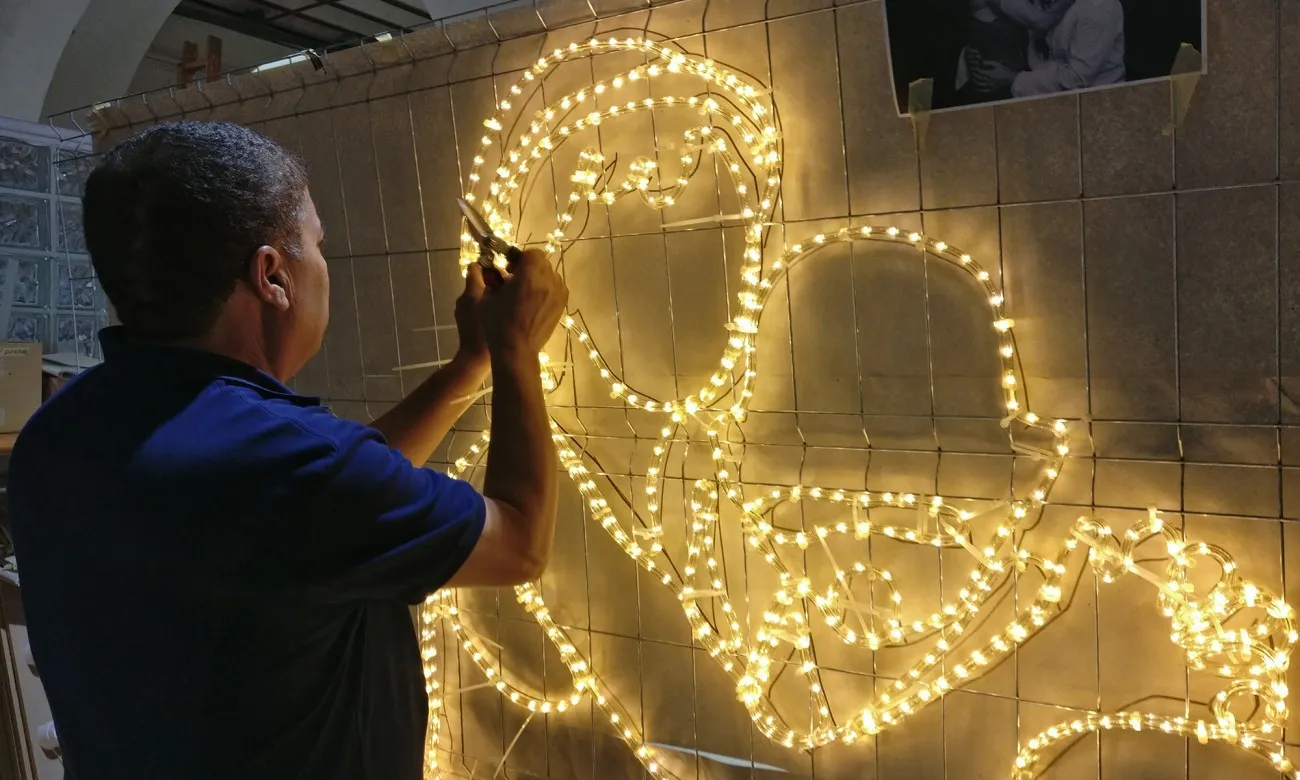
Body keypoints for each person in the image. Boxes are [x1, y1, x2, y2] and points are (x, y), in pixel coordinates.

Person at [7, 122, 568, 780]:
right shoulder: (291, 468)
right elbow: (521, 540)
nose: (324, 266)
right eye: (317, 244)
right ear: (273, 276)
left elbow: (323, 508)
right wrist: (515, 352)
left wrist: (469, 365)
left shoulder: (60, 431)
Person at [972, 0, 1125, 99]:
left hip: (1095, 103)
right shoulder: (1041, 4)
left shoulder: (1099, 6)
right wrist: (978, 55)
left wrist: (1012, 79)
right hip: (1044, 99)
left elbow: (1077, 79)